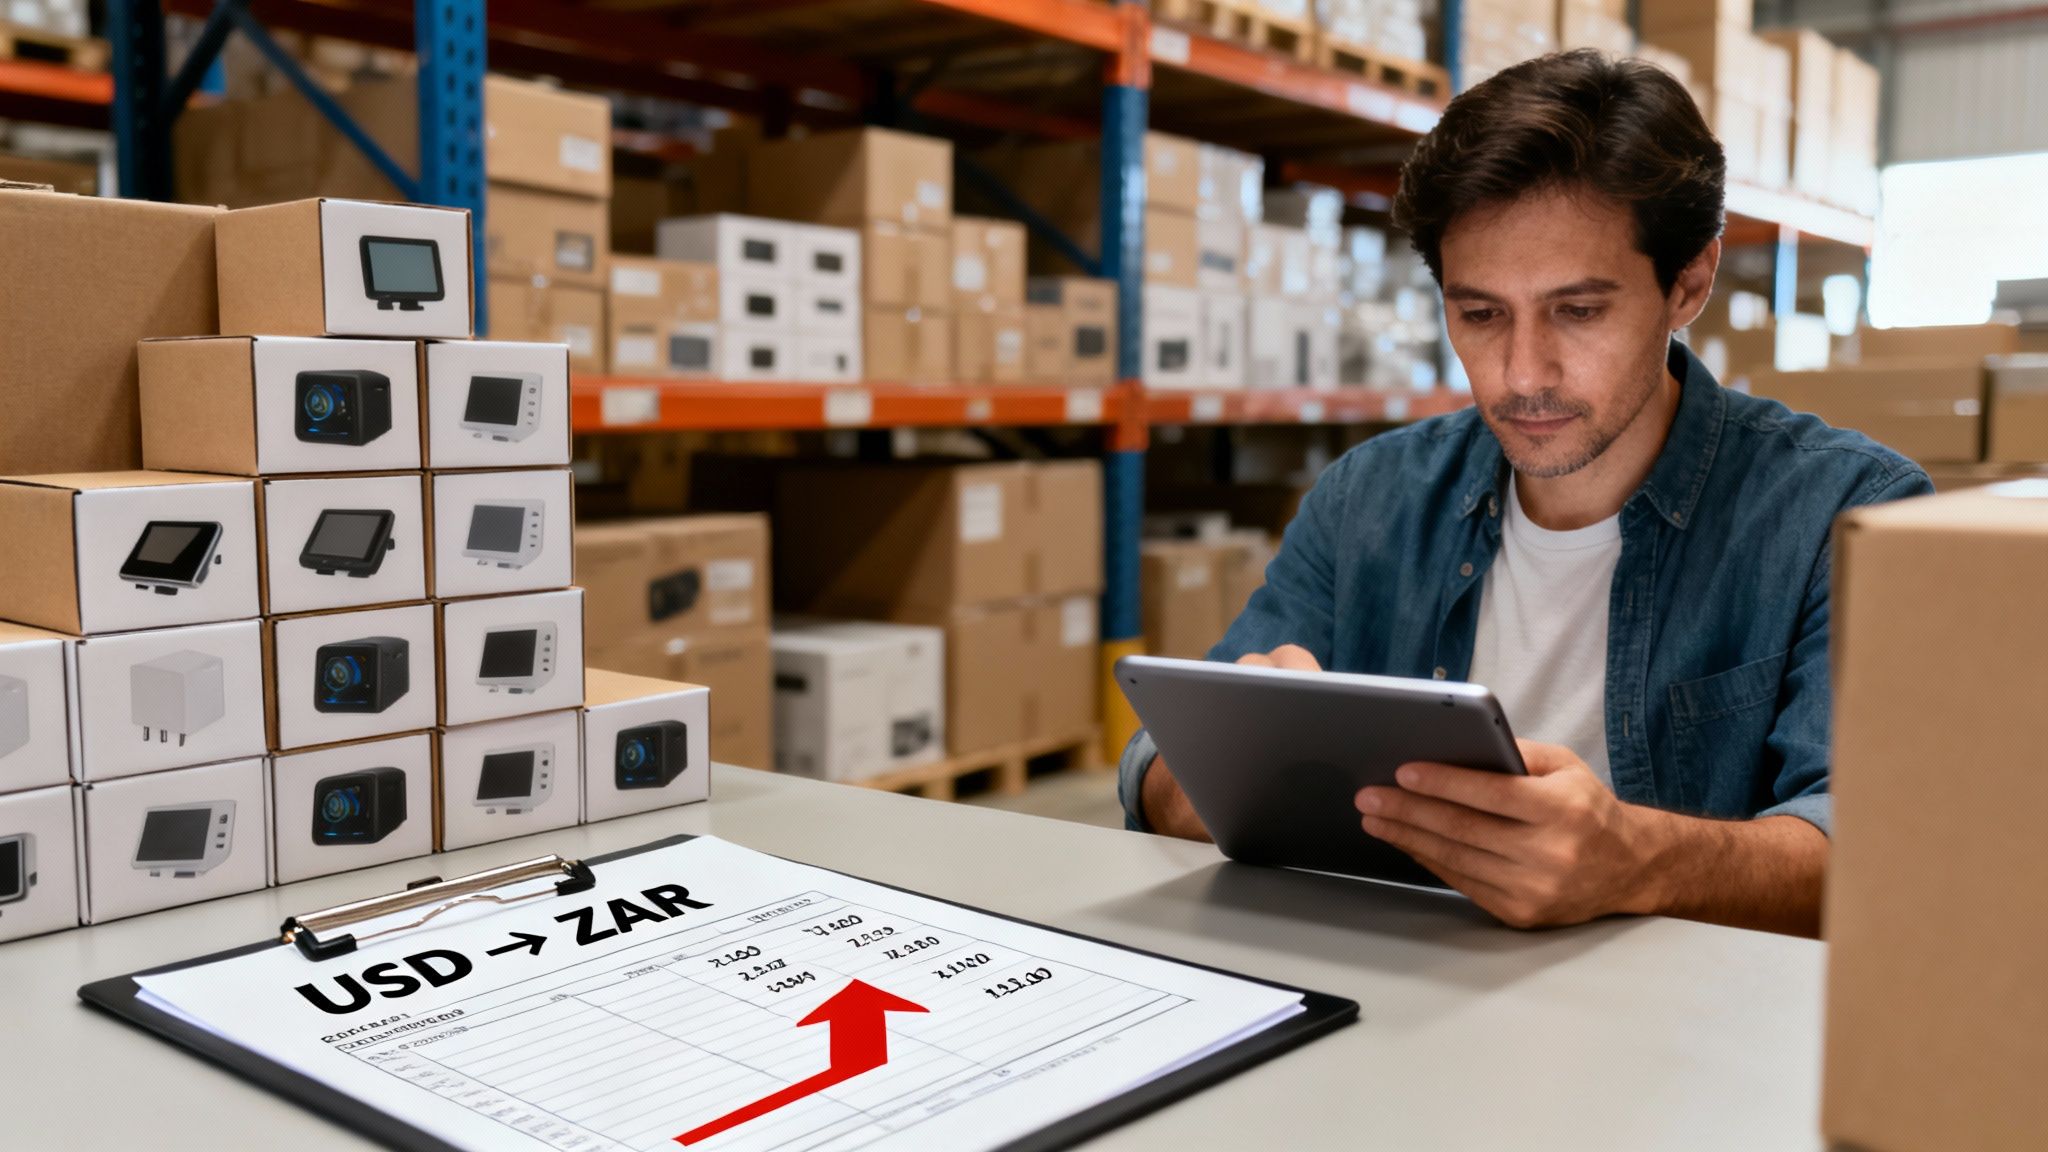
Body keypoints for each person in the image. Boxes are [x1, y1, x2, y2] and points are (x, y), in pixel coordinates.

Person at [1116, 50, 1931, 938]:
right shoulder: (1369, 498)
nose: (1520, 374)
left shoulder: (1846, 516)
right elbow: (1164, 757)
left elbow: (1880, 847)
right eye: (1480, 314)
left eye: (1578, 312)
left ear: (1688, 284)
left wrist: (1636, 860)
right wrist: (1198, 785)